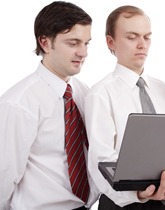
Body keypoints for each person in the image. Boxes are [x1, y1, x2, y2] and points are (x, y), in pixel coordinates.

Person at [84, 5, 165, 210]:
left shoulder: (163, 90)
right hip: (126, 203)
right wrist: (137, 193)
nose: (142, 45)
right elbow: (101, 161)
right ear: (110, 42)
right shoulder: (101, 93)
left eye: (147, 37)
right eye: (132, 37)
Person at [0, 1, 98, 209]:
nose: (83, 53)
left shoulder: (83, 92)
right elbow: (4, 177)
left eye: (86, 43)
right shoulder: (18, 104)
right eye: (73, 43)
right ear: (45, 43)